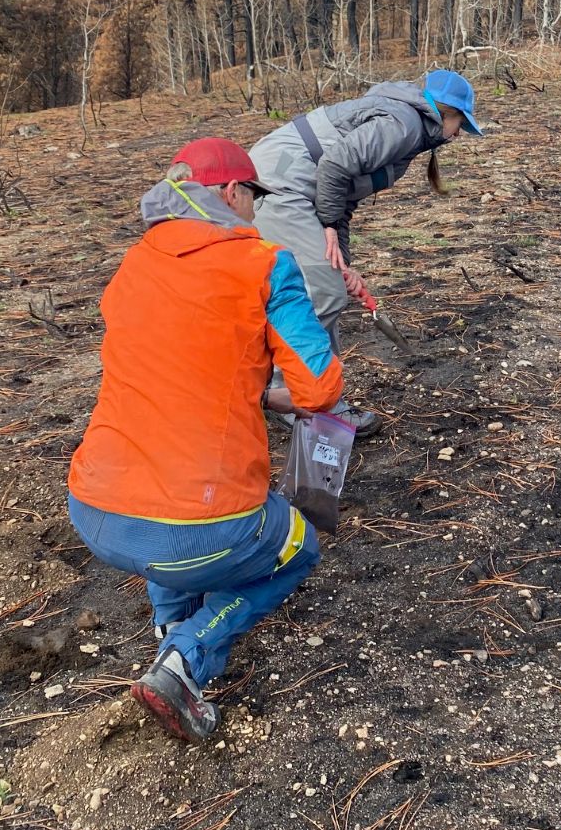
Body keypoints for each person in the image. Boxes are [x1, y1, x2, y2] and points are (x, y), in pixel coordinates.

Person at [68, 137, 343, 741]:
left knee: (172, 495)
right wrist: (287, 391)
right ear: (230, 193)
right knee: (299, 547)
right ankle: (185, 660)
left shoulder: (134, 263)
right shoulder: (265, 264)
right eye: (253, 199)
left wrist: (254, 392)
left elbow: (178, 368)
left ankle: (168, 631)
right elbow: (319, 390)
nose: (255, 213)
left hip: (95, 511)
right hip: (196, 524)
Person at [248, 69, 484, 434]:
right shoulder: (403, 124)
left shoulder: (408, 131)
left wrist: (341, 259)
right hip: (280, 185)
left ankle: (306, 393)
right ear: (446, 112)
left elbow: (344, 196)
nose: (456, 136)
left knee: (328, 284)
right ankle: (298, 399)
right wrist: (326, 225)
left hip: (296, 187)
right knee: (322, 295)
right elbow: (333, 168)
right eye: (459, 125)